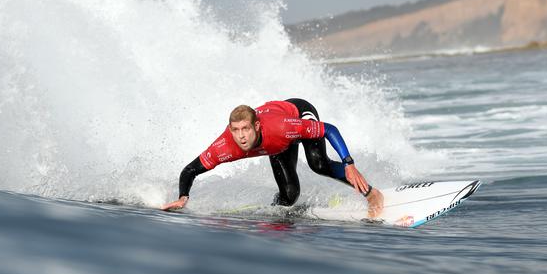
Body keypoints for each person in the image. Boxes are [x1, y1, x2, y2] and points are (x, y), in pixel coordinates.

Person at [161, 98, 384, 218]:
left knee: (318, 164)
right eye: (236, 130)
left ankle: (373, 194)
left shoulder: (281, 127)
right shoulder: (225, 146)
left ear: (256, 126)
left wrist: (349, 163)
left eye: (246, 129)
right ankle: (277, 209)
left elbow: (329, 129)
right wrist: (183, 197)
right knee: (289, 196)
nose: (241, 136)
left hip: (297, 112)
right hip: (277, 143)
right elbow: (190, 170)